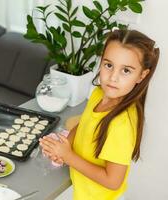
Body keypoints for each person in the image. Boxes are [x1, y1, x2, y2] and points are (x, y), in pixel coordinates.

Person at [39, 29, 160, 200]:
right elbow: (83, 125)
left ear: (142, 75)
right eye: (108, 65)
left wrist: (69, 156)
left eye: (126, 70)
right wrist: (65, 146)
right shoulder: (98, 93)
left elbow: (113, 181)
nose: (113, 77)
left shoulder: (121, 125)